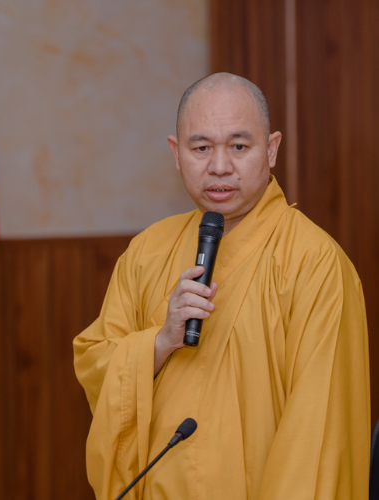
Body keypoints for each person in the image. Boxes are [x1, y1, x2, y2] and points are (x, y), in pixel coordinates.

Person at [73, 73, 370, 499]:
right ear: (176, 153)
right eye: (201, 148)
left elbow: (317, 437)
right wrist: (158, 343)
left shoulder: (315, 264)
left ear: (271, 150)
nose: (219, 166)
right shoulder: (147, 252)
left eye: (239, 146)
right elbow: (95, 366)